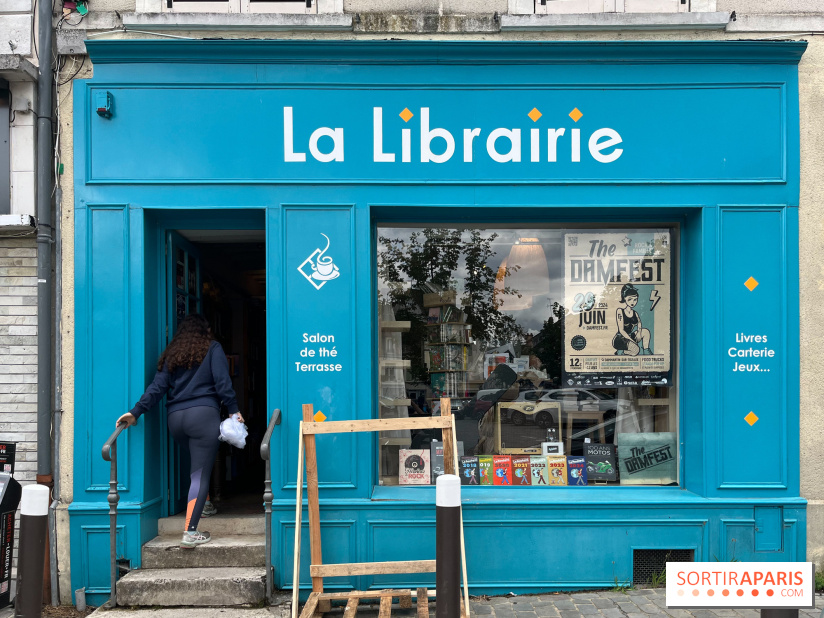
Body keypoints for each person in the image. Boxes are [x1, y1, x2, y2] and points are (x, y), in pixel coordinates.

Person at [116, 314, 244, 549]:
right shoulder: (213, 348)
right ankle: (190, 532)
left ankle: (202, 505)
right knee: (199, 474)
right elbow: (222, 382)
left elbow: (157, 387)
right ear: (206, 331)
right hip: (204, 416)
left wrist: (136, 411)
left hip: (176, 419)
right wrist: (234, 411)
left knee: (197, 468)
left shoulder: (172, 354)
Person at [611, 283, 652, 356]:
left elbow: (639, 323)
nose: (633, 302)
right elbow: (621, 330)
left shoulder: (635, 313)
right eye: (630, 299)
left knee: (646, 331)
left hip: (630, 336)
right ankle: (621, 352)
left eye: (635, 300)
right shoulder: (620, 311)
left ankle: (646, 351)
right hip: (620, 339)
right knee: (636, 350)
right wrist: (632, 340)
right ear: (625, 299)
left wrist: (639, 331)